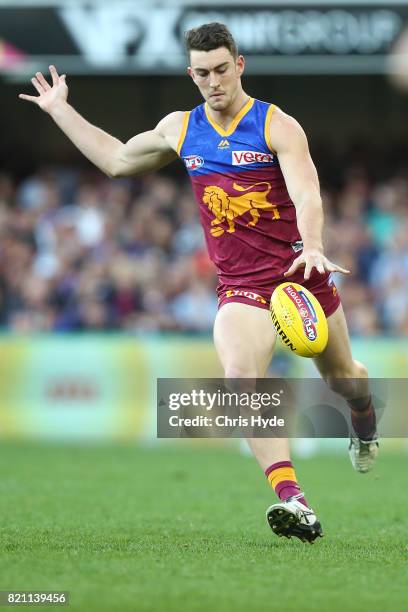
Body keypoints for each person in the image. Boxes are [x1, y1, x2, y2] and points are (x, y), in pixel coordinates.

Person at [19, 22, 379, 543]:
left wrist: (317, 246)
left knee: (344, 380)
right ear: (192, 74)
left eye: (222, 69)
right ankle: (294, 501)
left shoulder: (278, 126)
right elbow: (118, 160)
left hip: (299, 277)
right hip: (241, 287)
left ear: (240, 65)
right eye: (203, 73)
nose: (214, 82)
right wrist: (59, 110)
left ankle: (364, 418)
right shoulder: (181, 129)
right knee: (240, 377)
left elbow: (307, 194)